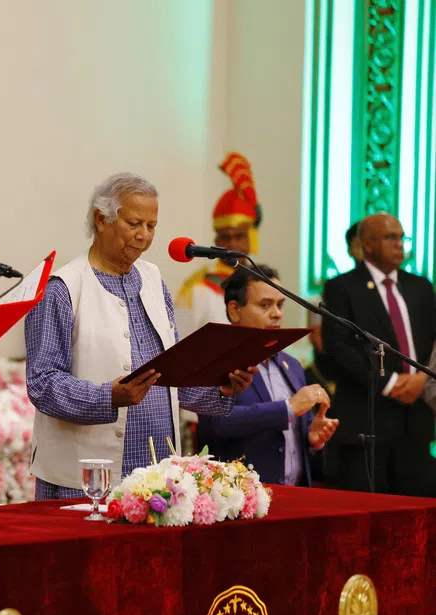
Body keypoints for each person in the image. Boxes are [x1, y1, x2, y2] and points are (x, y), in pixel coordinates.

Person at [25, 172, 254, 498]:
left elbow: (171, 376)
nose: (144, 236)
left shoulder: (153, 279)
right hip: (83, 480)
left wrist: (220, 387)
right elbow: (42, 383)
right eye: (134, 224)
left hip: (156, 476)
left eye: (152, 226)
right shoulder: (63, 288)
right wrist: (108, 397)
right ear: (100, 219)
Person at [321, 212, 436, 495]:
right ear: (368, 244)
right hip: (368, 419)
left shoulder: (421, 287)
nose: (400, 244)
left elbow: (433, 340)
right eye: (390, 237)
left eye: (401, 237)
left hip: (416, 419)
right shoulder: (342, 288)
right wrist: (392, 383)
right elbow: (338, 348)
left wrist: (421, 378)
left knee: (420, 513)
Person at [197, 266, 338, 485]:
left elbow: (293, 436)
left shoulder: (291, 365)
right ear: (235, 310)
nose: (277, 313)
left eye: (280, 305)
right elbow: (215, 424)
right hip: (242, 499)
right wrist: (288, 408)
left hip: (296, 497)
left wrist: (312, 438)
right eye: (265, 305)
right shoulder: (214, 361)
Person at [175, 152, 263, 338]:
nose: (232, 244)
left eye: (239, 236)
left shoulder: (262, 284)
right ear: (216, 242)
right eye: (225, 237)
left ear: (251, 238)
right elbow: (178, 341)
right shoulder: (199, 290)